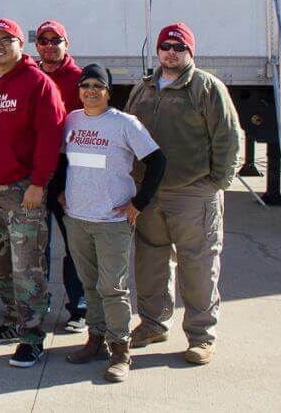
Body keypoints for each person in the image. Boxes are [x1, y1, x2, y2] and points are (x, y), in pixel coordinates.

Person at [125, 22, 243, 366]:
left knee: (198, 264)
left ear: (190, 52)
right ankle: (152, 323)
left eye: (179, 47)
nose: (171, 52)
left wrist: (216, 183)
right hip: (150, 193)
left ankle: (201, 336)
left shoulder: (206, 87)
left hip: (192, 193)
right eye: (166, 46)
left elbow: (228, 138)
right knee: (149, 261)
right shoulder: (143, 88)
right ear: (158, 51)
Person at [53, 64, 167, 383]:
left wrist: (138, 203)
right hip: (78, 219)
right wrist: (61, 192)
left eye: (98, 86)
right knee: (89, 285)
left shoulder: (124, 124)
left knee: (113, 288)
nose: (91, 91)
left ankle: (120, 349)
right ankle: (96, 339)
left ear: (108, 90)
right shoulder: (72, 120)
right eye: (85, 85)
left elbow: (157, 161)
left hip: (112, 221)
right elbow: (63, 159)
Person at [0, 18, 65, 368]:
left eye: (6, 39)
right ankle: (12, 321)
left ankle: (32, 335)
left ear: (19, 44)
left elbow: (50, 136)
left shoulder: (38, 84)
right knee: (0, 260)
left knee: (27, 266)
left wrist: (39, 184)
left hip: (22, 190)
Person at [34, 19, 88, 332]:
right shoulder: (30, 76)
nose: (50, 45)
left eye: (56, 40)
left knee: (75, 244)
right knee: (36, 244)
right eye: (43, 40)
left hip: (70, 169)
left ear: (67, 45)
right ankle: (38, 303)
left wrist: (77, 179)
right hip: (36, 169)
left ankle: (79, 306)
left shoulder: (81, 80)